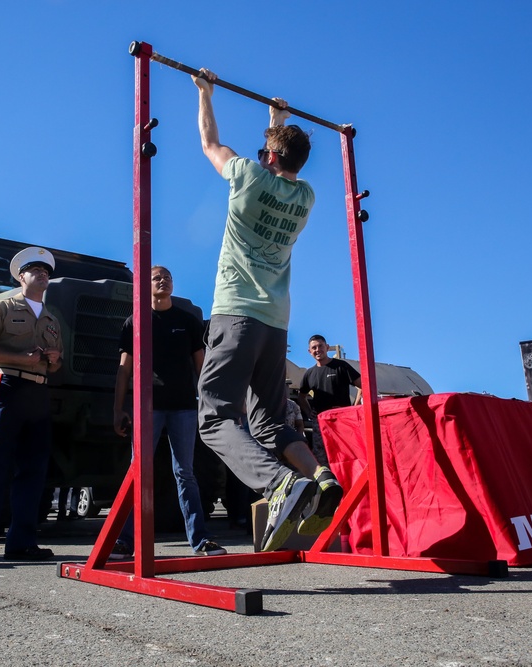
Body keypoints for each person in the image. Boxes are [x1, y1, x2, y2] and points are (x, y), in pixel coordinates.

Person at [192, 68, 342, 553]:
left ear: (269, 156)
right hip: (276, 323)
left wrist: (206, 94)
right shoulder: (307, 196)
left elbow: (210, 143)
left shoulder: (247, 176)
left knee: (214, 417)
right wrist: (275, 121)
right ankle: (319, 476)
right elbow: (279, 159)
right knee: (272, 422)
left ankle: (279, 484)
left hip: (235, 312)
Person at [111, 265, 226, 558]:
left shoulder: (188, 322)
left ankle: (201, 540)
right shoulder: (134, 322)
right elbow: (124, 370)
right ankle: (125, 540)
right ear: (145, 286)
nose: (164, 281)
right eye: (157, 278)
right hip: (147, 408)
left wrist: (207, 404)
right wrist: (118, 408)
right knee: (139, 470)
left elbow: (201, 368)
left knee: (185, 473)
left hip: (184, 408)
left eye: (168, 277)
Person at [0, 247, 63, 565]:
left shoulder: (51, 320)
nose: (42, 274)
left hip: (39, 394)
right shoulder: (3, 307)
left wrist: (54, 360)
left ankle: (22, 542)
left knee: (33, 470)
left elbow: (56, 366)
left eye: (46, 271)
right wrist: (22, 358)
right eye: (35, 270)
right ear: (22, 277)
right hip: (9, 388)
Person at [299, 335, 362, 466]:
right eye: (314, 348)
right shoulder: (309, 374)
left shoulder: (341, 366)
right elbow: (301, 397)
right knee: (322, 459)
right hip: (320, 423)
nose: (317, 350)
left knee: (346, 456)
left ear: (327, 347)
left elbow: (364, 385)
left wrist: (354, 408)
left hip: (342, 421)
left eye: (320, 346)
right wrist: (310, 414)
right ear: (309, 351)